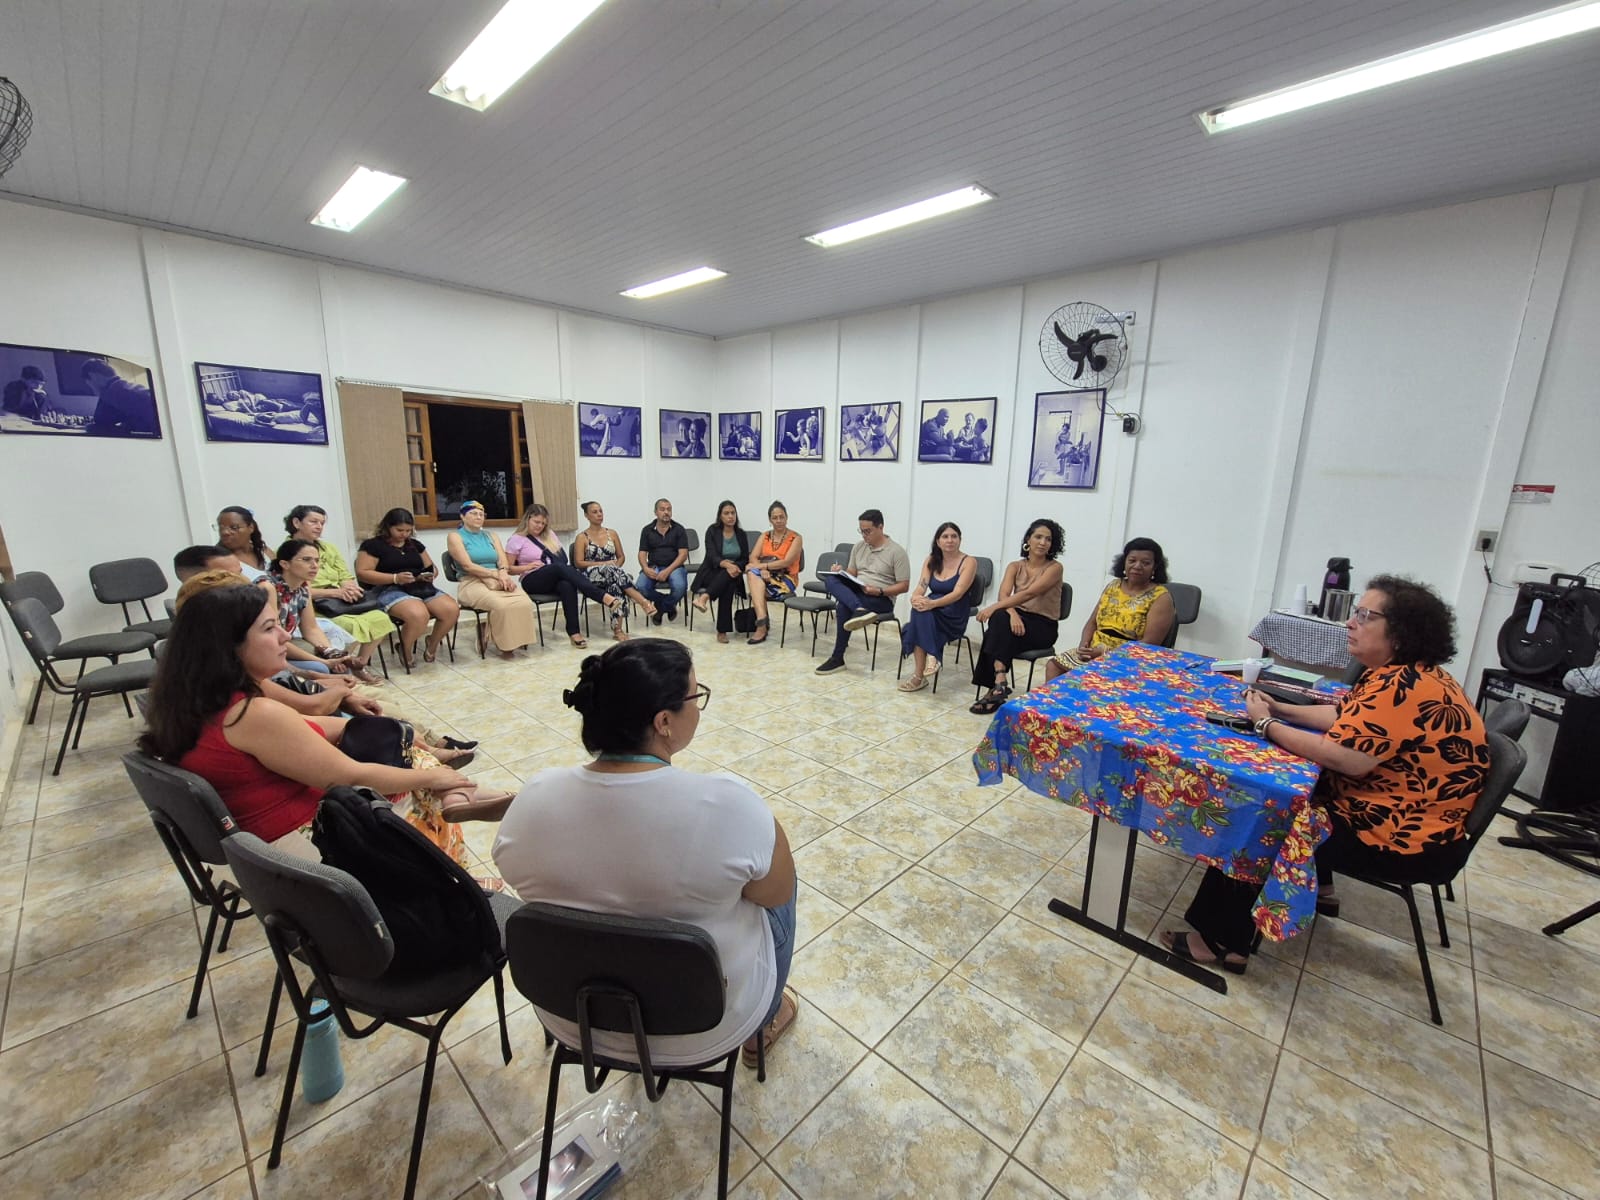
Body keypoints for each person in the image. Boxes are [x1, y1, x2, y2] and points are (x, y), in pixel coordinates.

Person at [492, 639, 799, 1070]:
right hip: (703, 1027)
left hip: (575, 1017)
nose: (698, 706)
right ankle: (763, 1021)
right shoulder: (728, 805)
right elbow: (775, 893)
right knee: (776, 889)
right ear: (664, 722)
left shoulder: (535, 798)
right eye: (695, 696)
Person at [1162, 576, 1491, 973]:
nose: (1351, 623)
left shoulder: (1404, 687)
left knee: (1263, 811)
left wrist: (1266, 725)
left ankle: (1219, 940)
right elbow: (1342, 715)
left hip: (1402, 840)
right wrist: (1280, 709)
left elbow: (1347, 760)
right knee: (1299, 789)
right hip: (1405, 817)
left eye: (1365, 616)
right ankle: (1323, 887)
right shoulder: (1404, 674)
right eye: (1356, 613)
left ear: (1401, 632)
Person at [138, 584, 510, 866]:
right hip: (298, 841)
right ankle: (454, 876)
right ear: (228, 647)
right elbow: (348, 776)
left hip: (255, 832)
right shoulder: (251, 713)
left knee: (391, 736)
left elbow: (304, 728)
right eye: (269, 629)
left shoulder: (196, 696)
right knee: (420, 794)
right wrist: (430, 776)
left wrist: (381, 728)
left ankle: (457, 794)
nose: (285, 636)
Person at [284, 504, 397, 674]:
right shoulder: (287, 552)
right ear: (296, 523)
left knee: (380, 618)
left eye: (322, 523)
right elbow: (296, 589)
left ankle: (359, 665)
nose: (319, 527)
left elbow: (345, 574)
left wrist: (349, 588)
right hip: (316, 606)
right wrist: (335, 592)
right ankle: (341, 663)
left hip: (341, 600)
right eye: (313, 522)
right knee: (350, 625)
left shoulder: (329, 548)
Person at [1044, 536, 1176, 682]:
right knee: (1053, 665)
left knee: (1094, 678)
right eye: (1132, 560)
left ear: (1155, 567)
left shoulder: (1161, 597)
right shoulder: (1113, 586)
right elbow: (1092, 622)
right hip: (1095, 649)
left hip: (1130, 658)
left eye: (1145, 563)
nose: (1137, 566)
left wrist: (1104, 652)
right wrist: (1084, 646)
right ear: (1124, 562)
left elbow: (1150, 643)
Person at [970, 519, 1066, 713]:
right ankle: (999, 681)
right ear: (1028, 540)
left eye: (1048, 539)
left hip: (1043, 625)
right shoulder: (1015, 566)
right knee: (1000, 620)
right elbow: (1004, 594)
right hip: (1018, 619)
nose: (1043, 542)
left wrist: (993, 608)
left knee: (994, 630)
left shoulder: (1055, 568)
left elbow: (1030, 593)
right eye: (1038, 537)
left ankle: (995, 688)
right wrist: (1013, 613)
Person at [505, 504, 622, 648]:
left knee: (567, 585)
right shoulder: (516, 539)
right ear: (527, 519)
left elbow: (562, 558)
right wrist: (526, 567)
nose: (540, 526)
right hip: (532, 579)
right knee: (559, 568)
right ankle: (602, 596)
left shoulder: (549, 535)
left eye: (543, 523)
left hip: (554, 575)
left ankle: (574, 633)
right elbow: (508, 569)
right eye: (536, 522)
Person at [355, 507, 460, 666]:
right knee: (418, 614)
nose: (404, 534)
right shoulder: (372, 545)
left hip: (419, 586)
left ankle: (431, 643)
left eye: (408, 531)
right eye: (399, 530)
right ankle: (405, 649)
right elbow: (363, 573)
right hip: (389, 588)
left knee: (451, 609)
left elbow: (431, 567)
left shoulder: (415, 545)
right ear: (388, 527)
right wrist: (395, 578)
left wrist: (429, 575)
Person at [814, 509, 911, 675]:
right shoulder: (859, 547)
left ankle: (837, 658)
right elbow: (852, 573)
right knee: (831, 579)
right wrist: (841, 572)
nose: (864, 536)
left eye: (868, 531)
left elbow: (904, 586)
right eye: (861, 531)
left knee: (843, 606)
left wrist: (879, 591)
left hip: (881, 598)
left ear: (880, 527)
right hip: (859, 591)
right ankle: (859, 609)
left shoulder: (897, 552)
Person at [268, 538, 378, 681]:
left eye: (317, 560)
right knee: (321, 667)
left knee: (339, 665)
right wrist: (325, 661)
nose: (314, 566)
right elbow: (274, 639)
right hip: (266, 650)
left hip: (283, 644)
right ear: (285, 564)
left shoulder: (302, 587)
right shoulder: (269, 588)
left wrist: (332, 655)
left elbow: (311, 629)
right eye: (306, 560)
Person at [446, 500, 539, 658]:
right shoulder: (455, 537)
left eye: (481, 514)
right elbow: (467, 566)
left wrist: (502, 573)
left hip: (497, 578)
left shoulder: (491, 536)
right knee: (501, 605)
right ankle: (506, 647)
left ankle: (493, 631)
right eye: (473, 513)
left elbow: (503, 561)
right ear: (462, 516)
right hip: (471, 582)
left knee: (524, 602)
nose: (478, 517)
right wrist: (493, 574)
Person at [899, 523, 978, 692]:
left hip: (954, 610)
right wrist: (915, 597)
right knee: (919, 610)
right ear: (938, 541)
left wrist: (931, 604)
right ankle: (932, 657)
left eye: (954, 536)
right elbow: (921, 586)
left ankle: (919, 676)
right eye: (945, 536)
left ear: (960, 540)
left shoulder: (969, 562)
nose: (950, 540)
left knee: (917, 621)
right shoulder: (931, 560)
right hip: (932, 608)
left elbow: (958, 593)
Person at [574, 501, 658, 641]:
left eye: (600, 511)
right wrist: (604, 564)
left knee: (616, 586)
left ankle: (618, 630)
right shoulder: (582, 537)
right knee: (612, 570)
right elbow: (578, 563)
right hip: (590, 575)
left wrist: (614, 567)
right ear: (586, 516)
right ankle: (643, 601)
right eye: (594, 512)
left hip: (613, 574)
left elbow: (621, 557)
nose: (599, 514)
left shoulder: (612, 533)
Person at [690, 501, 750, 643]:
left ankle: (704, 598)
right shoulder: (712, 531)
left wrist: (734, 566)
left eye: (733, 513)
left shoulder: (740, 534)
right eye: (726, 513)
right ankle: (722, 631)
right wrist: (726, 564)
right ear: (720, 516)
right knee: (727, 582)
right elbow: (711, 555)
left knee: (728, 580)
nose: (730, 516)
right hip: (711, 572)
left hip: (734, 572)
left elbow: (745, 558)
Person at [744, 501, 803, 646]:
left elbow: (786, 562)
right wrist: (763, 570)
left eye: (781, 517)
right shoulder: (765, 536)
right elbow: (753, 557)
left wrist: (763, 566)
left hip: (786, 578)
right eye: (775, 518)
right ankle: (762, 619)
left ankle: (761, 625)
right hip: (765, 575)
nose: (779, 521)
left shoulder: (796, 538)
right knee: (752, 574)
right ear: (770, 520)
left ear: (787, 518)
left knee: (754, 579)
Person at [635, 497, 689, 623]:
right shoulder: (647, 530)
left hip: (675, 567)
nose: (666, 512)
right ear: (655, 512)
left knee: (680, 587)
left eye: (669, 509)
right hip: (653, 566)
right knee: (641, 587)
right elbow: (642, 553)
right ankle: (667, 603)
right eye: (663, 509)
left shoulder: (679, 529)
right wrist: (645, 568)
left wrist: (668, 571)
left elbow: (683, 555)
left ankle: (661, 607)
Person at [81, 359, 158, 435]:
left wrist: (100, 393)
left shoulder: (111, 392)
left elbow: (99, 421)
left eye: (89, 384)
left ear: (93, 376)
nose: (91, 388)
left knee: (92, 428)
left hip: (154, 430)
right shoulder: (124, 385)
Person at [215, 507, 270, 576]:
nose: (225, 532)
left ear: (251, 527)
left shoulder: (263, 550)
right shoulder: (219, 560)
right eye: (221, 528)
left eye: (234, 527)